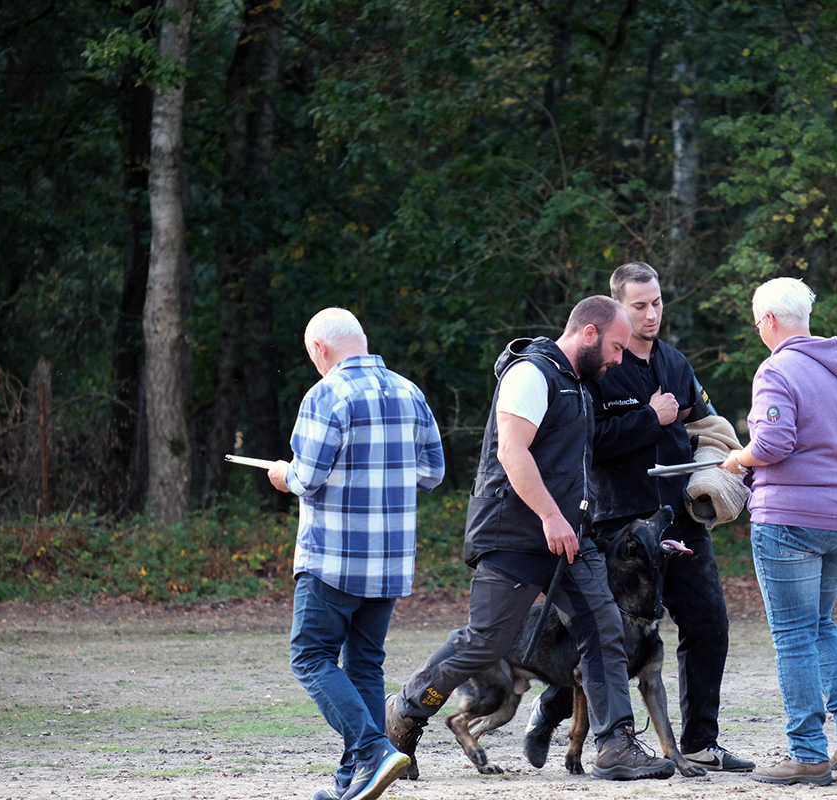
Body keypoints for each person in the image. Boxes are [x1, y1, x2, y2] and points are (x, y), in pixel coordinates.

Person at [385, 296, 676, 782]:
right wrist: (549, 515)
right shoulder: (530, 374)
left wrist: (572, 521)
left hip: (569, 537)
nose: (620, 359)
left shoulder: (579, 386)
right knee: (485, 643)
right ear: (588, 333)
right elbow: (512, 451)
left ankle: (614, 745)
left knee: (604, 629)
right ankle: (407, 711)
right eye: (616, 347)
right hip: (516, 534)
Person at [522, 262, 755, 773]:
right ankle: (551, 707)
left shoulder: (675, 363)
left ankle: (700, 742)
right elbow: (588, 440)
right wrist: (650, 417)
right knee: (610, 640)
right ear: (617, 310)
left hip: (679, 518)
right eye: (640, 306)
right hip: (619, 525)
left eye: (657, 303)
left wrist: (722, 463)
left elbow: (702, 421)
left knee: (708, 623)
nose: (652, 315)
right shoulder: (597, 367)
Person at [267, 307, 445, 800]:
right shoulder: (410, 392)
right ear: (361, 340)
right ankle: (354, 778)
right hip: (390, 559)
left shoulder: (325, 394)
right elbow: (433, 473)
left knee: (310, 656)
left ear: (320, 350)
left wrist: (283, 474)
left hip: (334, 558)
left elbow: (307, 478)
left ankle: (371, 749)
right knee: (365, 664)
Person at [720, 277, 837, 786]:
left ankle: (808, 752)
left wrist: (737, 458)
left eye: (757, 324)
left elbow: (772, 443)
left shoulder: (777, 368)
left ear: (769, 320)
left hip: (790, 521)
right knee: (818, 624)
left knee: (794, 634)